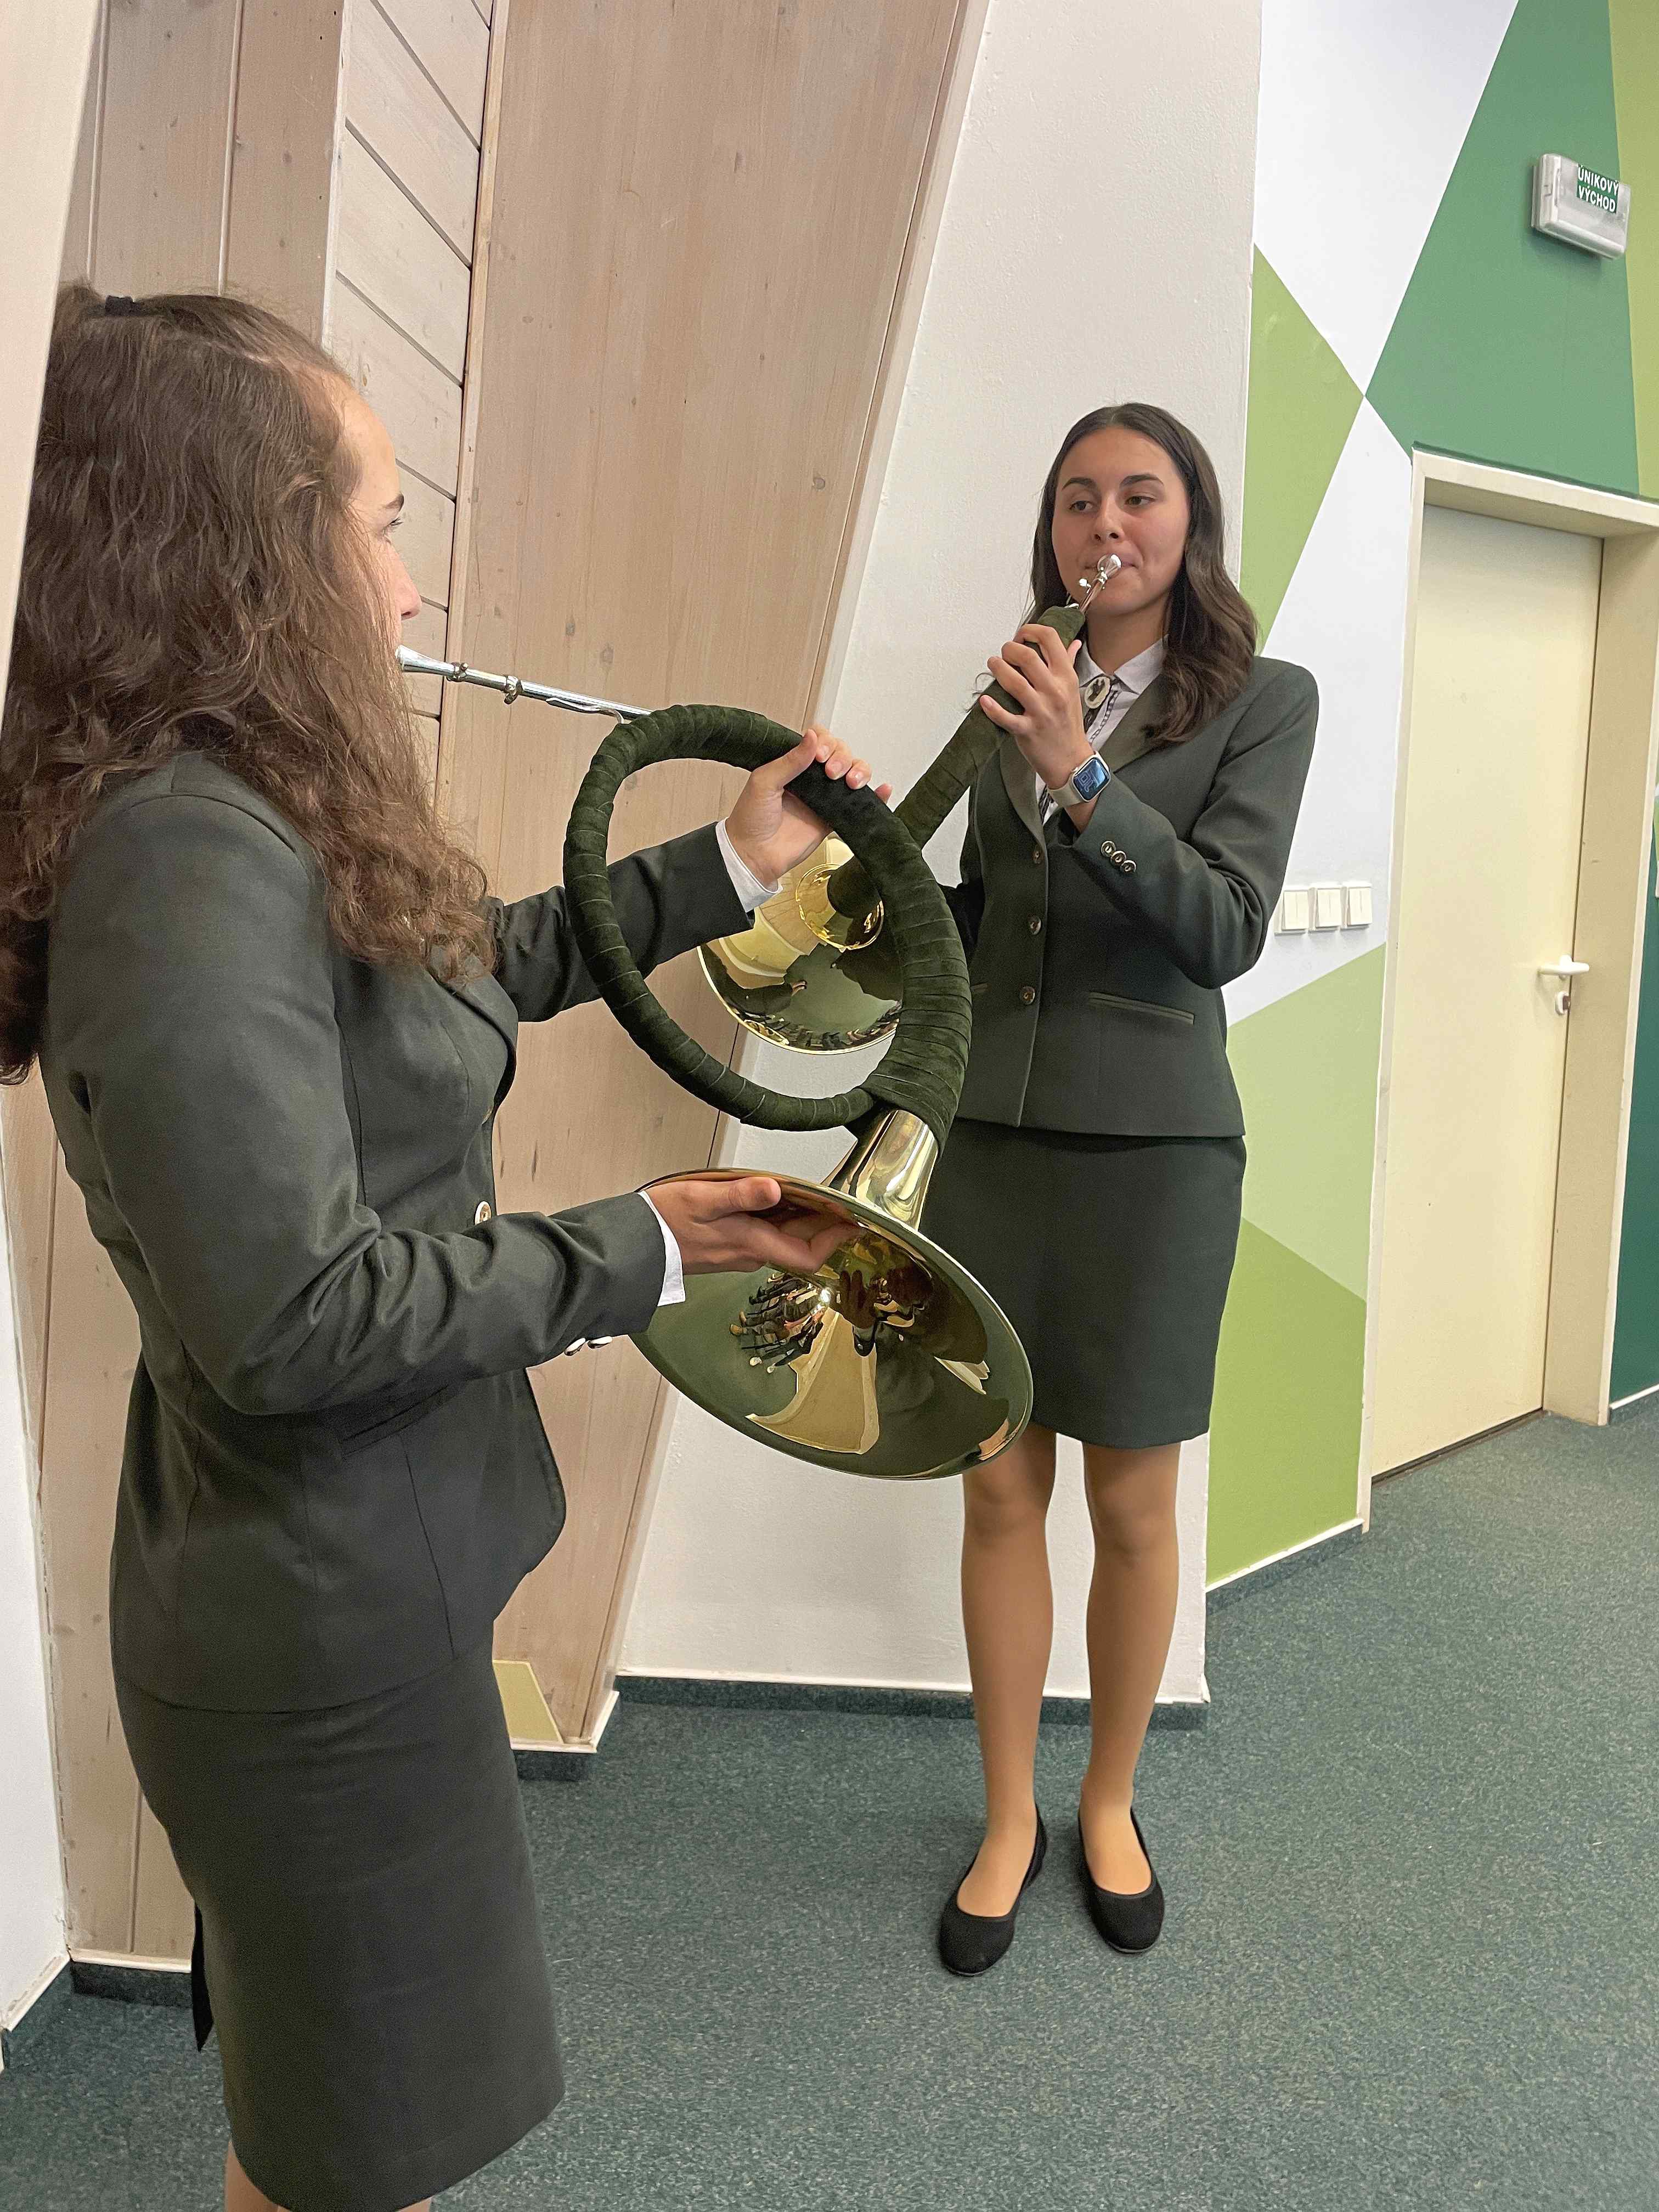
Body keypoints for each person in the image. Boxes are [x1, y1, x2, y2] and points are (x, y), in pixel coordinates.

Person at [0, 285, 888, 2212]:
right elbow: (295, 1317)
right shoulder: (179, 856)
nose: (409, 592)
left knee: (335, 2146)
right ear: (251, 559)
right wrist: (636, 1248)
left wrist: (729, 863)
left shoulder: (244, 814)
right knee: (350, 2163)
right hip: (312, 1633)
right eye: (384, 528)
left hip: (358, 1588)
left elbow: (452, 970)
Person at [921, 403, 1318, 1974]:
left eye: (1139, 496)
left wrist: (1078, 773)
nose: (1107, 524)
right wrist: (862, 872)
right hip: (991, 1139)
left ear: (1189, 521)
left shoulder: (1265, 702)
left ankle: (1108, 1803)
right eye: (1078, 498)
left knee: (1133, 1504)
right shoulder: (1020, 680)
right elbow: (987, 919)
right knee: (996, 1490)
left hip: (1156, 1151)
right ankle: (1007, 1817)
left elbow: (1223, 928)